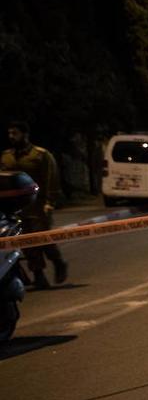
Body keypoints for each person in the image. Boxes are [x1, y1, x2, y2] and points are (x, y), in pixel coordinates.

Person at [2, 121, 68, 289]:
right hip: (15, 210)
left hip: (38, 207)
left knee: (43, 238)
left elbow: (50, 178)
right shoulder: (6, 157)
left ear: (25, 134)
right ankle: (38, 274)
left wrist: (50, 202)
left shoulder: (40, 155)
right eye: (9, 133)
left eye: (15, 133)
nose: (11, 137)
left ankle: (58, 261)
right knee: (26, 243)